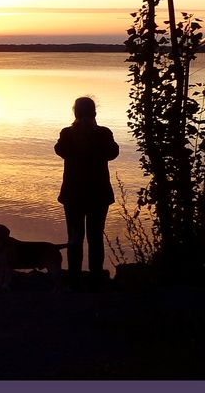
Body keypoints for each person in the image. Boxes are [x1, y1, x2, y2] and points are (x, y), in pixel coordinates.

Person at [54, 96, 119, 290]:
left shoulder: (67, 134)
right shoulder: (103, 133)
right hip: (98, 195)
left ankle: (74, 277)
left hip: (73, 195)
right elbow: (113, 153)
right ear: (94, 113)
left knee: (75, 237)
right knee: (95, 237)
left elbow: (59, 150)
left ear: (75, 112)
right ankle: (95, 277)